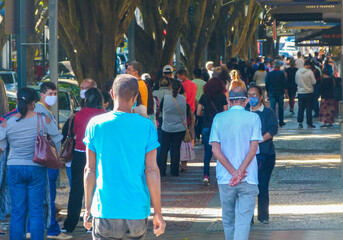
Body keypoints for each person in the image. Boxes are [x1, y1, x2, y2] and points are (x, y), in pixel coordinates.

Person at [83, 74, 166, 239]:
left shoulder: (95, 124)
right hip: (136, 210)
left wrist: (87, 209)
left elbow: (89, 170)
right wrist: (158, 212)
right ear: (135, 97)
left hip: (104, 209)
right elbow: (151, 171)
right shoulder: (147, 126)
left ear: (112, 94)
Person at [0, 88, 62, 240]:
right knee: (36, 212)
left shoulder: (7, 122)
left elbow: (1, 146)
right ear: (33, 102)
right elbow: (57, 140)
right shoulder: (43, 119)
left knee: (17, 212)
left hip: (14, 168)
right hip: (37, 168)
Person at [210, 86, 262, 240]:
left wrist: (233, 172)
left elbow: (215, 150)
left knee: (228, 219)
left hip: (225, 177)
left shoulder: (219, 118)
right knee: (243, 220)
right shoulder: (253, 118)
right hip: (248, 176)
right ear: (246, 100)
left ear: (228, 100)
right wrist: (240, 172)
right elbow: (253, 149)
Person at [62, 88, 106, 233]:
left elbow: (74, 132)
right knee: (97, 189)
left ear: (86, 100)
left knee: (76, 189)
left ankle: (70, 224)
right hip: (100, 156)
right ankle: (94, 223)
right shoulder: (105, 116)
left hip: (80, 153)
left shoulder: (79, 115)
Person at [33, 82, 73, 239]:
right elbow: (54, 137)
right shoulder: (41, 112)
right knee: (48, 195)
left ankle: (37, 227)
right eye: (50, 94)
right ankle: (52, 229)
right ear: (42, 95)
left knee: (39, 196)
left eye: (55, 93)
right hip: (48, 160)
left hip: (43, 160)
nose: (53, 97)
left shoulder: (42, 111)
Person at [248, 85, 278, 224]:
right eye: (249, 95)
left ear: (260, 97)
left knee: (262, 185)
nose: (252, 98)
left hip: (265, 154)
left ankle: (263, 216)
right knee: (247, 187)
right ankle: (248, 217)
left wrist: (257, 140)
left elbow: (272, 130)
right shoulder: (244, 112)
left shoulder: (268, 112)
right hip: (247, 155)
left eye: (254, 95)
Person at [197, 77, 228, 185]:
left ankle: (206, 176)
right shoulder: (222, 97)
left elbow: (198, 112)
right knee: (222, 152)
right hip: (220, 128)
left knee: (207, 153)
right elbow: (225, 112)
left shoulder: (203, 97)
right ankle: (223, 174)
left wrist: (205, 114)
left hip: (207, 127)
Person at [159, 80, 187, 176]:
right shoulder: (183, 98)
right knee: (176, 150)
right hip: (179, 128)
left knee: (164, 150)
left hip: (166, 127)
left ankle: (162, 170)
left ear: (170, 88)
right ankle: (174, 171)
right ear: (179, 88)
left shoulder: (165, 98)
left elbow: (161, 109)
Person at [265, 61, 288, 127]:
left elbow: (267, 83)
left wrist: (268, 92)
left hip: (272, 92)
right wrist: (286, 93)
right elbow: (285, 84)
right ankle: (281, 121)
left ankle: (273, 121)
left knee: (272, 108)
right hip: (280, 92)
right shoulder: (281, 74)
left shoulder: (270, 74)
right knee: (281, 108)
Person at [295, 60, 317, 128]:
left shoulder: (298, 72)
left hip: (300, 92)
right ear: (309, 65)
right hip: (309, 92)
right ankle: (309, 122)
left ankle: (300, 122)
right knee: (309, 108)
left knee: (301, 108)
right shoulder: (310, 72)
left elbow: (296, 81)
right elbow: (314, 82)